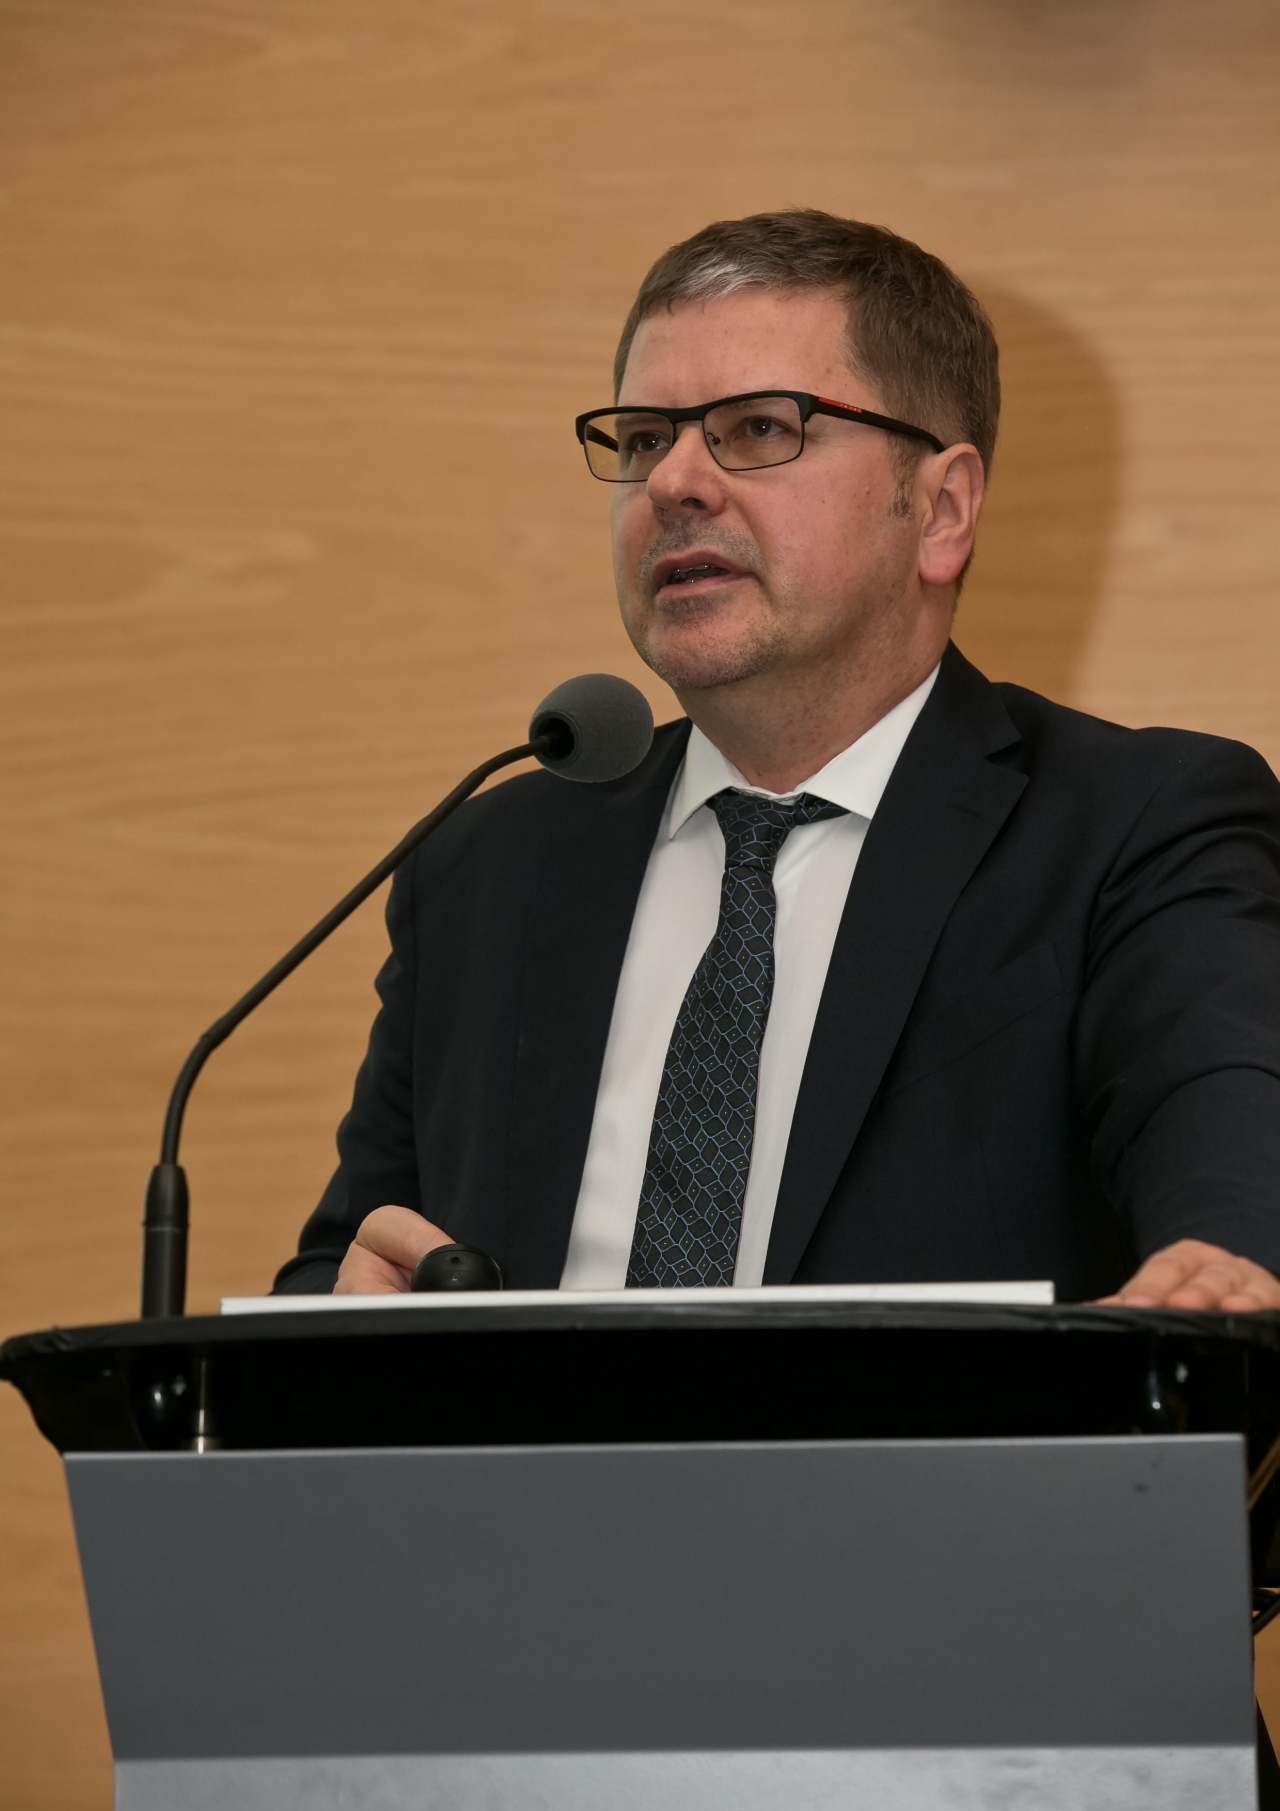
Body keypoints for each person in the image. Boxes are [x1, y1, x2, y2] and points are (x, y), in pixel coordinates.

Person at [274, 209, 1280, 1311]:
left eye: (757, 428)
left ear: (940, 510)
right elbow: (349, 1261)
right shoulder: (486, 863)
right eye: (643, 440)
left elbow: (1233, 1194)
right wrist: (345, 1320)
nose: (672, 484)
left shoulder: (1135, 832)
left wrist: (1228, 1277)